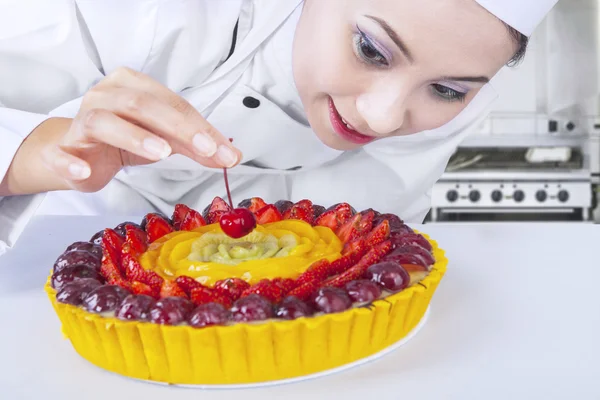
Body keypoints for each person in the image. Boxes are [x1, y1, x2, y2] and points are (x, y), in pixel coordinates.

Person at [0, 0, 558, 254]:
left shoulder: (463, 100)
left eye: (446, 89)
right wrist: (29, 155)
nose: (385, 116)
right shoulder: (157, 10)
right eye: (370, 48)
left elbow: (353, 244)